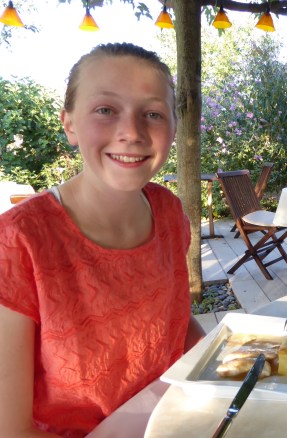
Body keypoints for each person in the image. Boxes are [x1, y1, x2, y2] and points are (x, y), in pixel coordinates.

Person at [0, 43, 206, 437]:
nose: (132, 132)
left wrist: (229, 362)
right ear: (69, 124)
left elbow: (175, 321)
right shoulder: (17, 241)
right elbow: (11, 430)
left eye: (153, 114)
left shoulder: (168, 211)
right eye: (106, 110)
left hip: (175, 420)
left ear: (173, 129)